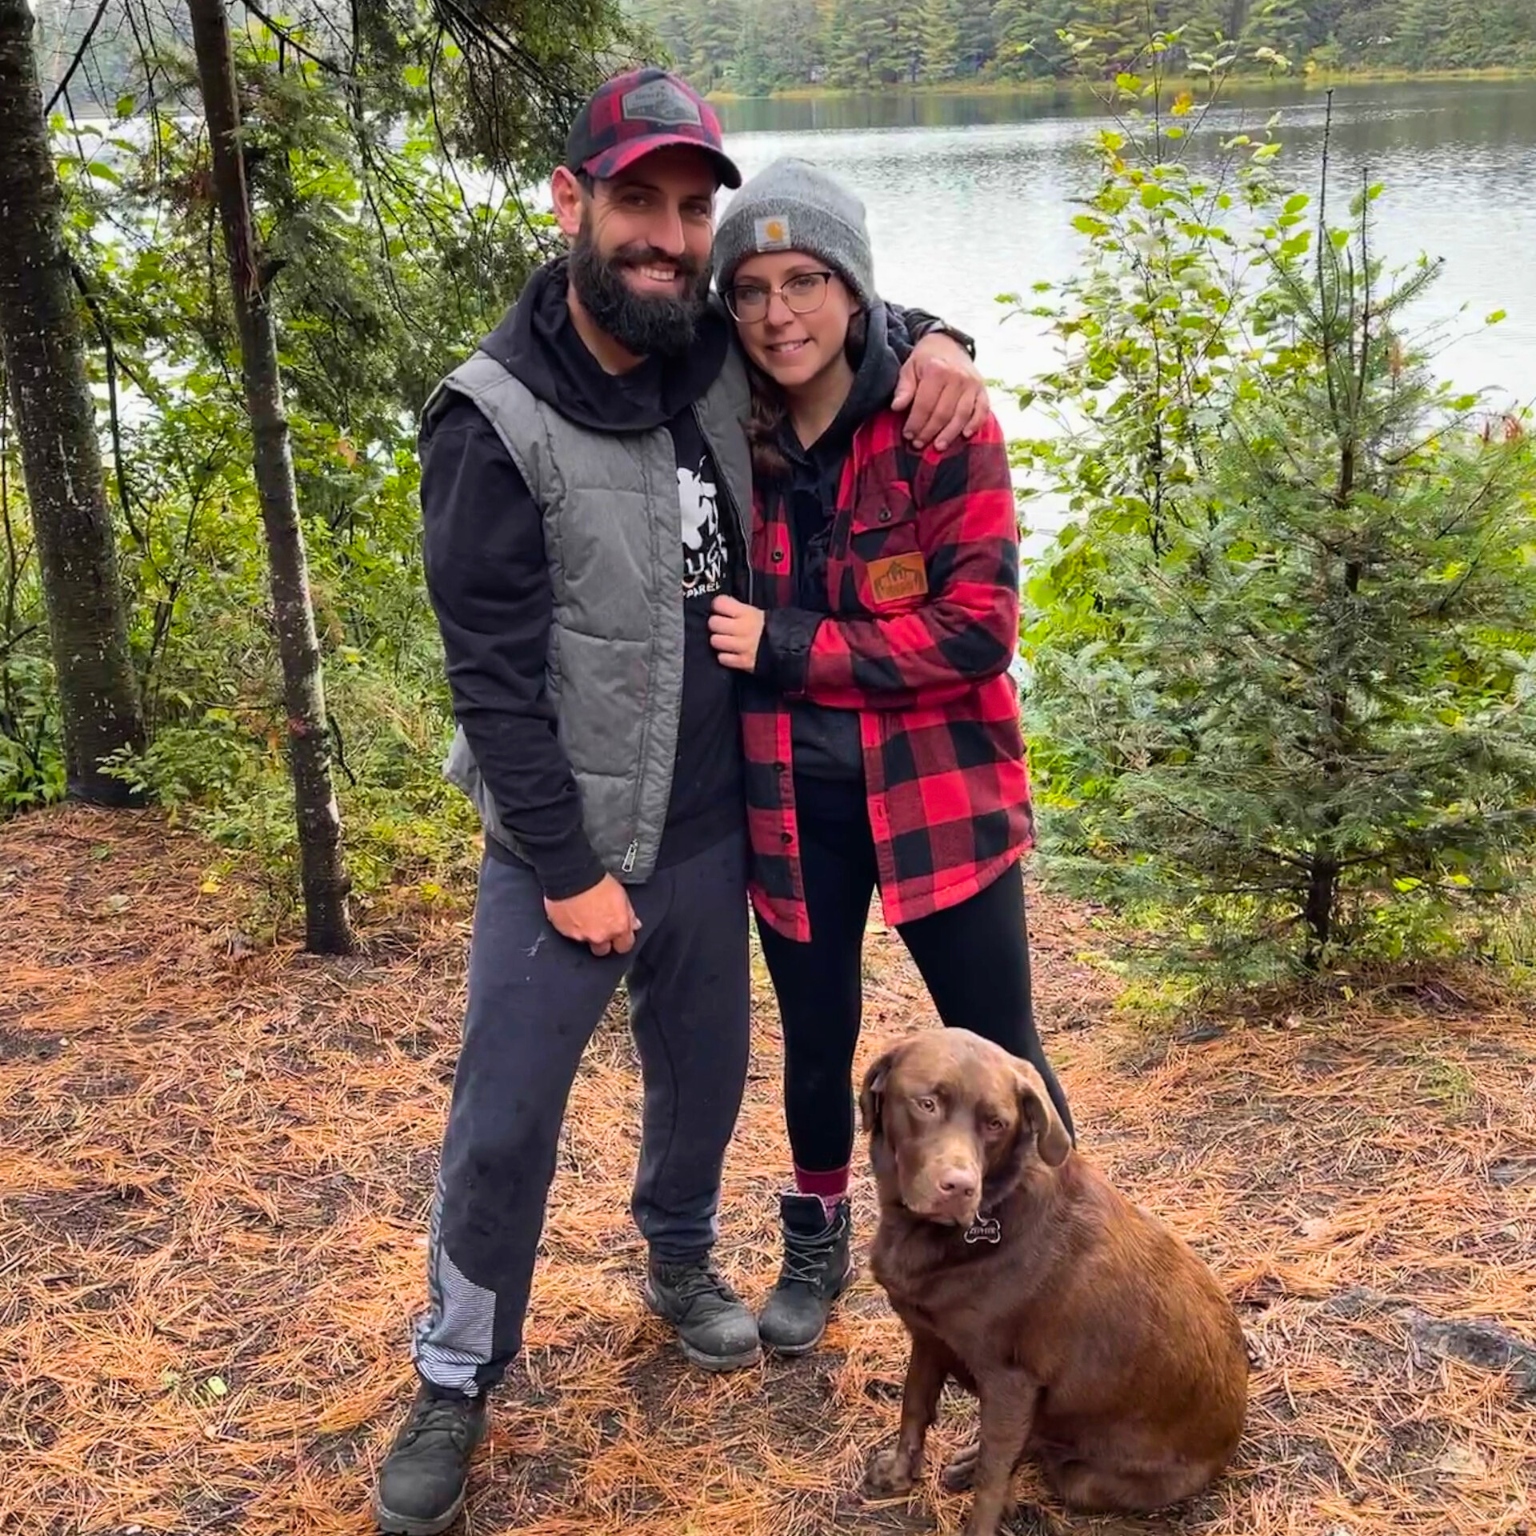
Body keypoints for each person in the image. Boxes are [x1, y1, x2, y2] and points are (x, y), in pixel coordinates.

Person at [373, 71, 990, 1536]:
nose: (669, 235)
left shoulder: (703, 352)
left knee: (704, 1084)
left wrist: (945, 339)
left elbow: (831, 322)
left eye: (689, 208)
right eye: (637, 200)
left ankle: (678, 1259)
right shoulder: (491, 421)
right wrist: (574, 867)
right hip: (562, 852)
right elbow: (495, 686)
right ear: (570, 203)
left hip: (716, 828)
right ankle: (458, 1370)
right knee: (507, 1125)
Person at [707, 158, 1076, 1359]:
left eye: (807, 281)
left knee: (998, 1038)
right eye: (752, 290)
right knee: (816, 1040)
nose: (780, 316)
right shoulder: (720, 426)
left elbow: (979, 633)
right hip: (790, 800)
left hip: (938, 797)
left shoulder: (939, 425)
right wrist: (937, 325)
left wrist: (790, 645)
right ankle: (816, 1244)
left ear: (855, 291)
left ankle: (1069, 1252)